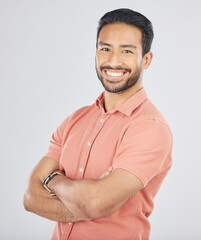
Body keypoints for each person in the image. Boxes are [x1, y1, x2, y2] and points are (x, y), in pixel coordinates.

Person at [23, 8, 173, 240]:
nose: (113, 61)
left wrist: (53, 179)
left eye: (126, 51)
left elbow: (97, 202)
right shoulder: (75, 120)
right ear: (95, 54)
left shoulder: (150, 128)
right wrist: (85, 204)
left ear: (146, 59)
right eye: (105, 49)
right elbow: (31, 197)